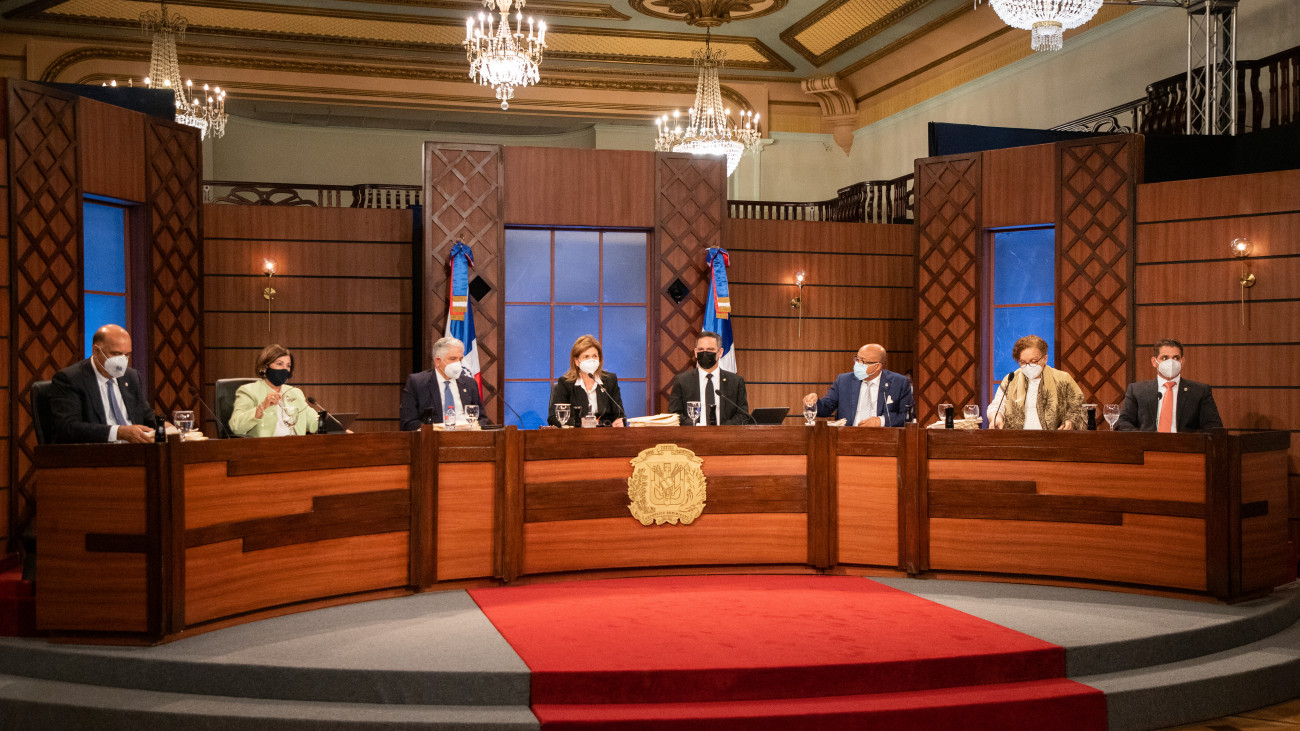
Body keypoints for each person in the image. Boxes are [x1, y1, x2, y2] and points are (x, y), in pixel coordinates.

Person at [47, 324, 159, 444]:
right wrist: (119, 432)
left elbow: (146, 415)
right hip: (96, 451)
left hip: (136, 450)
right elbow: (69, 428)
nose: (122, 360)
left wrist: (167, 427)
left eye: (127, 354)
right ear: (96, 351)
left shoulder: (131, 376)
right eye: (116, 354)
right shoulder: (70, 379)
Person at [1115, 338, 1222, 433]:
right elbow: (1123, 423)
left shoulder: (1200, 391)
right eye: (1164, 358)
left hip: (1185, 447)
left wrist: (1188, 441)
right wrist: (1145, 440)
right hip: (1147, 446)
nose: (1171, 362)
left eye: (1176, 358)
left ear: (1182, 362)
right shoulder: (1137, 390)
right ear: (1154, 362)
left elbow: (1213, 426)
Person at [987, 335, 1086, 430]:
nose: (1028, 366)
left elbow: (1079, 408)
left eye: (1033, 361)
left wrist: (1070, 422)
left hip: (1054, 439)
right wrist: (996, 416)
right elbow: (996, 405)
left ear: (1045, 359)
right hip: (1017, 438)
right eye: (1022, 362)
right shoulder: (1011, 379)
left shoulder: (1063, 379)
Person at [803, 344, 913, 426]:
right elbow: (826, 408)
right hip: (846, 438)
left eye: (863, 362)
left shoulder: (899, 382)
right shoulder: (844, 380)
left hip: (884, 438)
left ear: (878, 366)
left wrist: (881, 421)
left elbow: (907, 416)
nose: (858, 364)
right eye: (857, 359)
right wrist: (814, 403)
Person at [399, 336, 490, 430]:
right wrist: (432, 429)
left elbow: (482, 418)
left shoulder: (469, 383)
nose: (458, 363)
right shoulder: (417, 382)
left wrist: (476, 426)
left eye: (460, 359)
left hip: (467, 435)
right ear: (437, 361)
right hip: (434, 437)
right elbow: (408, 422)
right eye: (453, 359)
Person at [229, 344, 319, 437]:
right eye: (279, 364)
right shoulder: (249, 391)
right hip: (266, 445)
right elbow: (236, 426)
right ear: (265, 367)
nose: (284, 369)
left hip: (297, 444)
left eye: (288, 365)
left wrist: (324, 420)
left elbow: (315, 422)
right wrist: (261, 408)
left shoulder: (295, 392)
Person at [668, 330, 750, 425]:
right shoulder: (682, 380)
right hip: (693, 433)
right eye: (701, 349)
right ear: (696, 352)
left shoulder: (735, 382)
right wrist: (696, 426)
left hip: (725, 433)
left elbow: (742, 415)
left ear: (720, 352)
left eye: (710, 349)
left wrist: (723, 429)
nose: (705, 353)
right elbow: (675, 414)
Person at [547, 335, 625, 427]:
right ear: (577, 361)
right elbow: (553, 418)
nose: (591, 360)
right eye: (586, 357)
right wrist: (580, 423)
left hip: (605, 434)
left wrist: (619, 422)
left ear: (599, 358)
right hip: (577, 434)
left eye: (594, 356)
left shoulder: (610, 380)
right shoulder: (566, 383)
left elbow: (620, 414)